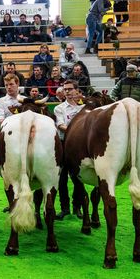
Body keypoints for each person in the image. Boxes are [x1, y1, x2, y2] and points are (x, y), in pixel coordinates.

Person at [53, 79, 84, 219]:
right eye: (65, 89)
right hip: (63, 144)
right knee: (62, 179)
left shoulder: (83, 108)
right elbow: (60, 125)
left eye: (70, 89)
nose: (67, 92)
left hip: (80, 147)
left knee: (79, 179)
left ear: (77, 90)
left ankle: (77, 207)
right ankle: (64, 208)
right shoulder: (59, 108)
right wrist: (77, 131)